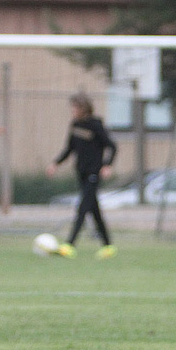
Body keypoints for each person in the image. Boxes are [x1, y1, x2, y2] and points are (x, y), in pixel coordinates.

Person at [45, 91, 118, 260]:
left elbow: (112, 146)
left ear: (84, 108)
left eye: (75, 107)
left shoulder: (95, 125)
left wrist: (107, 165)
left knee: (83, 208)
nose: (73, 110)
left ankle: (69, 245)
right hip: (82, 173)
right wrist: (55, 163)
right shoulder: (75, 125)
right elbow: (69, 148)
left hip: (94, 172)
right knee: (94, 211)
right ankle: (108, 246)